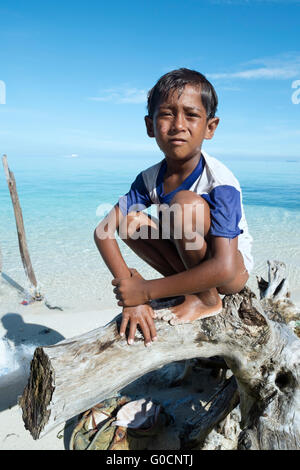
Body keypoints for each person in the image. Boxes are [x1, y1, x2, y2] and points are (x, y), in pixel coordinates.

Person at [94, 68, 253, 347]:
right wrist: (130, 294)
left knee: (183, 205)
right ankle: (189, 290)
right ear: (150, 126)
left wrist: (146, 291)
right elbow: (103, 230)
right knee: (129, 221)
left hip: (229, 272)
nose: (179, 125)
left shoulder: (220, 182)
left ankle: (206, 299)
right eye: (167, 114)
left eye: (191, 115)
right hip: (188, 262)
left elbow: (226, 270)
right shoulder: (149, 178)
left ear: (210, 127)